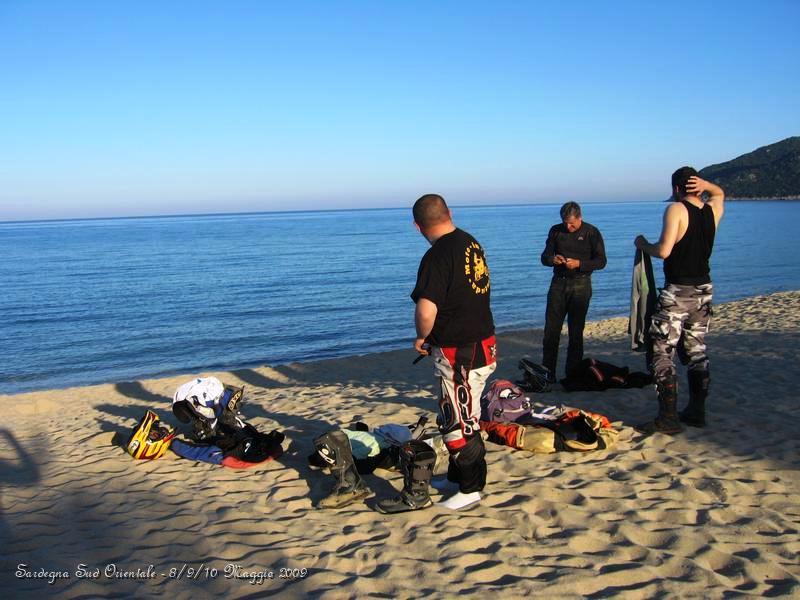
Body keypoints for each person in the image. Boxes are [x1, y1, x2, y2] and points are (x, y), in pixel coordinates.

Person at [377, 194, 497, 513]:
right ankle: (457, 478)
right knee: (463, 412)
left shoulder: (437, 256)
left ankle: (472, 488)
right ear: (449, 213)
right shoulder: (470, 242)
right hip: (482, 342)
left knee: (456, 421)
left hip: (461, 351)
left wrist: (422, 336)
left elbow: (426, 308)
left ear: (417, 226)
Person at [634, 168, 725, 434]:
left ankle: (668, 417)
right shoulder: (713, 210)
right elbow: (720, 194)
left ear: (675, 189)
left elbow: (664, 251)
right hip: (704, 290)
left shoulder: (676, 209)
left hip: (677, 291)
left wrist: (642, 244)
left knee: (661, 351)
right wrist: (708, 184)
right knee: (696, 350)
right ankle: (697, 411)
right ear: (698, 186)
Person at [540, 202, 607, 381]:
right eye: (565, 223)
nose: (568, 227)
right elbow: (544, 257)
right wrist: (553, 259)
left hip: (581, 283)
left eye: (572, 223)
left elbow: (601, 261)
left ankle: (573, 374)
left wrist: (579, 264)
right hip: (558, 283)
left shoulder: (591, 232)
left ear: (580, 218)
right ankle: (548, 373)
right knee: (551, 331)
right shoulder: (555, 230)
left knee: (575, 332)